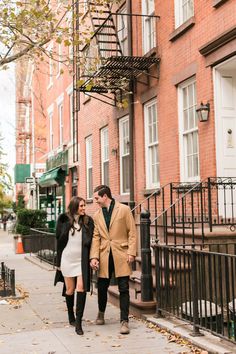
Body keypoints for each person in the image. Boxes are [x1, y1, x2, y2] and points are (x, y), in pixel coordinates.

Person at [90, 185, 137, 335]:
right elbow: (96, 237)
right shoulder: (97, 215)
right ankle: (101, 313)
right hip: (104, 254)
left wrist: (131, 252)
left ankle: (124, 321)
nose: (95, 200)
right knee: (102, 286)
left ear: (105, 196)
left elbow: (132, 232)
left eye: (97, 198)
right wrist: (94, 256)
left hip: (121, 253)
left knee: (123, 287)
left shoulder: (123, 209)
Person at [54, 196, 94, 335]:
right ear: (75, 206)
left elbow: (91, 241)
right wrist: (58, 263)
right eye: (81, 206)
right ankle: (71, 315)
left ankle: (78, 323)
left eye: (84, 205)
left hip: (81, 261)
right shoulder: (63, 219)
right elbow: (58, 241)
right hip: (67, 260)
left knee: (81, 288)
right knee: (70, 290)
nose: (84, 208)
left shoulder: (88, 221)